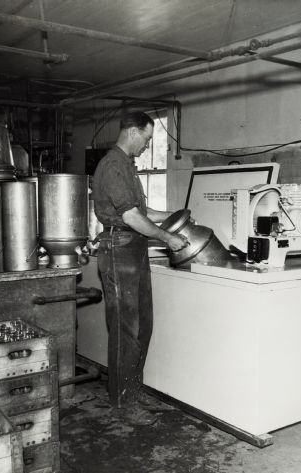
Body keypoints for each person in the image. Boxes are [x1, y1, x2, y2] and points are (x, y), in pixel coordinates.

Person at [92, 111, 189, 425]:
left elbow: (142, 212)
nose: (148, 146)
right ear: (132, 131)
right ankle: (123, 404)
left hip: (133, 250)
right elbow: (132, 218)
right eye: (147, 138)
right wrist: (167, 238)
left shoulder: (127, 167)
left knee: (142, 326)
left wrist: (174, 215)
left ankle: (132, 393)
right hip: (120, 250)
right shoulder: (112, 165)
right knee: (126, 330)